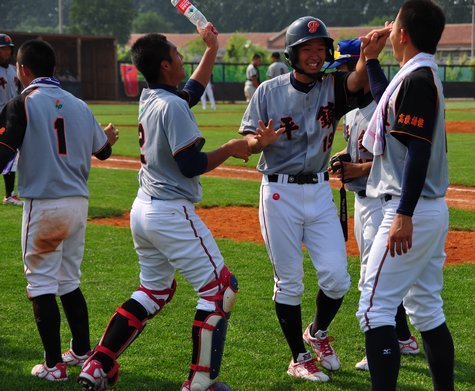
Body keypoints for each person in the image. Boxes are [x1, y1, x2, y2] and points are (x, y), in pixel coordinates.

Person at [77, 23, 251, 391]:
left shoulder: (151, 95)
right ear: (166, 65)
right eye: (174, 52)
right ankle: (201, 382)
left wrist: (212, 50)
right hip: (171, 211)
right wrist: (232, 148)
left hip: (143, 209)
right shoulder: (171, 105)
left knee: (154, 290)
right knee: (221, 290)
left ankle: (98, 364)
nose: (179, 54)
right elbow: (190, 164)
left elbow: (190, 91)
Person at [239, 16, 373, 382]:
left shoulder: (333, 86)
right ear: (293, 54)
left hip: (318, 190)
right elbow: (249, 141)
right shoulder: (268, 90)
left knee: (337, 278)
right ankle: (298, 357)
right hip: (278, 191)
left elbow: (359, 81)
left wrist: (368, 54)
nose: (314, 56)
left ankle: (315, 333)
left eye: (320, 49)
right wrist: (258, 143)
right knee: (290, 281)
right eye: (306, 50)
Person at [0, 39, 119, 382]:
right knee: (68, 281)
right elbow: (104, 152)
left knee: (40, 285)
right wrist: (105, 137)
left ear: (23, 70)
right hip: (77, 203)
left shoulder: (22, 102)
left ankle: (53, 366)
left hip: (44, 203)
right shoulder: (79, 104)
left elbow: (3, 154)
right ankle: (82, 350)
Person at [357, 1, 454, 389]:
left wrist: (403, 214)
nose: (388, 28)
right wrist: (373, 61)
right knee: (426, 309)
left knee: (373, 309)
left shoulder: (417, 78)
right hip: (425, 207)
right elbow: (387, 111)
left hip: (407, 206)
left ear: (403, 34)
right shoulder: (415, 75)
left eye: (392, 25)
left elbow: (418, 149)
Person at [326, 38, 420, 374]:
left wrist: (358, 169)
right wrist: (345, 161)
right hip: (362, 199)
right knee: (375, 273)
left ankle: (388, 341)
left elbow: (399, 158)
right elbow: (362, 152)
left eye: (345, 68)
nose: (341, 75)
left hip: (383, 201)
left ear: (362, 67)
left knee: (374, 278)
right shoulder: (351, 108)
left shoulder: (384, 105)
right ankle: (404, 338)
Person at [0, 33, 23, 205]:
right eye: (3, 49)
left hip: (11, 118)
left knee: (10, 154)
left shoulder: (14, 70)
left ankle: (9, 194)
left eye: (8, 49)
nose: (6, 52)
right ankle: (9, 195)